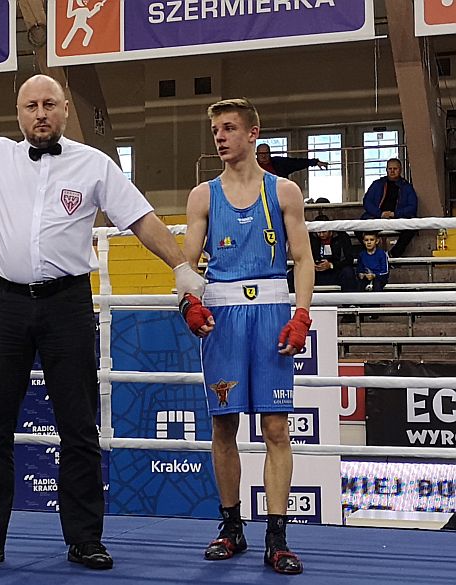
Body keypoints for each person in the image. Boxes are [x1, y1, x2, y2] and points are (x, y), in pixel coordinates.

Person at [0, 51, 213, 570]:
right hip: (5, 304)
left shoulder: (93, 163)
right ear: (19, 114)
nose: (40, 113)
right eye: (31, 105)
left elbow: (141, 219)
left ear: (63, 111)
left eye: (49, 104)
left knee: (78, 427)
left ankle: (85, 539)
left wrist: (181, 268)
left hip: (67, 304)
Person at [183, 98, 314, 575]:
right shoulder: (203, 196)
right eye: (216, 129)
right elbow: (186, 266)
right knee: (223, 425)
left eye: (229, 128)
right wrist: (188, 304)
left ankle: (276, 537)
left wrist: (301, 315)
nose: (219, 136)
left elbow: (302, 259)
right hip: (223, 316)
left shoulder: (284, 192)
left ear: (253, 133)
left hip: (272, 312)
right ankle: (231, 527)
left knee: (277, 428)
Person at [360, 158, 418, 258]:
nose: (392, 171)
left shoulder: (406, 187)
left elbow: (412, 207)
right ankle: (374, 254)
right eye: (389, 168)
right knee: (358, 227)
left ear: (400, 170)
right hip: (377, 218)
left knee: (411, 227)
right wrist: (380, 214)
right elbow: (367, 202)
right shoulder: (377, 184)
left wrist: (395, 214)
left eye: (395, 168)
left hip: (398, 218)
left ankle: (393, 255)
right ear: (386, 170)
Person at [288, 213, 355, 292]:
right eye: (318, 232)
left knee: (348, 272)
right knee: (292, 274)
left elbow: (349, 259)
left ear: (330, 229)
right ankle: (293, 302)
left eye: (324, 232)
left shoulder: (342, 237)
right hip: (314, 272)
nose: (321, 234)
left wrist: (331, 265)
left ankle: (349, 303)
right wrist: (311, 263)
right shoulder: (310, 237)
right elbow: (301, 255)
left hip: (335, 271)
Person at [256, 143, 327, 179]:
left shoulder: (279, 163)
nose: (263, 156)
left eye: (266, 153)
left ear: (269, 153)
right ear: (257, 154)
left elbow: (296, 163)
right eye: (261, 153)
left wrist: (315, 162)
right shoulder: (251, 165)